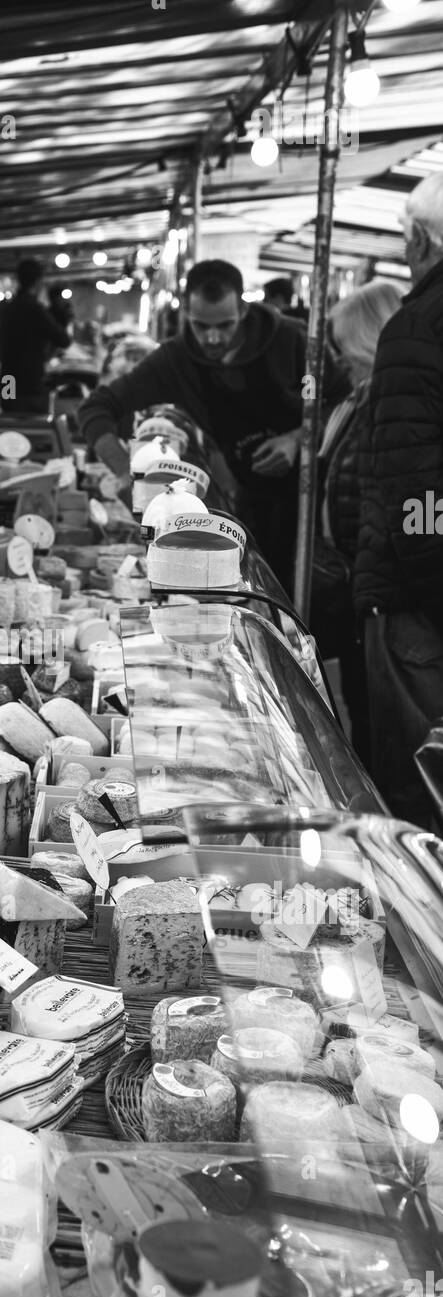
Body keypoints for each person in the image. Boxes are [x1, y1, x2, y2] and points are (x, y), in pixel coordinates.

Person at [78, 259, 344, 588]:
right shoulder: (174, 361)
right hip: (252, 498)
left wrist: (297, 438)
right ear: (186, 313)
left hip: (314, 501)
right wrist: (122, 469)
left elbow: (340, 401)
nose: (214, 338)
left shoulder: (293, 343)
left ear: (243, 312)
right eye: (202, 326)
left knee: (316, 602)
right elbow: (97, 407)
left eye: (225, 325)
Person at [354, 171, 443, 827]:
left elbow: (414, 485)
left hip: (419, 603)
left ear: (418, 239)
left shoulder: (415, 327)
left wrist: (426, 590)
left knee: (415, 794)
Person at [312, 281, 402, 768]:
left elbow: (421, 505)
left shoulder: (392, 406)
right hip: (357, 586)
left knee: (386, 726)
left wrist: (397, 560)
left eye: (345, 346)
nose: (338, 358)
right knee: (366, 716)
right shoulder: (359, 402)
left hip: (381, 595)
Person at [0, 258, 71, 413]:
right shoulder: (35, 310)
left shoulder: (8, 309)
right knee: (31, 428)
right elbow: (63, 340)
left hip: (7, 379)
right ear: (38, 282)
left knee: (8, 419)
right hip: (29, 383)